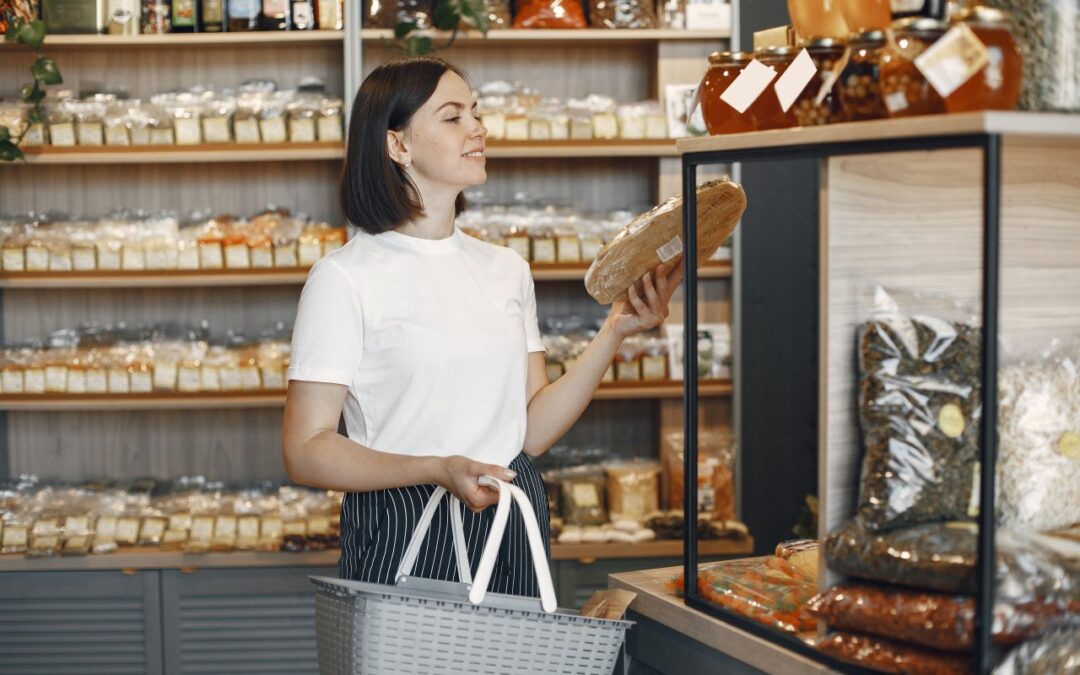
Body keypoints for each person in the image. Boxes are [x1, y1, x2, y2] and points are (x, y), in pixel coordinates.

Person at [282, 57, 684, 597]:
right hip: (403, 522)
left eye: (475, 112)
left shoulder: (506, 269)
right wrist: (438, 468)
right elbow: (306, 449)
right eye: (453, 117)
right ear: (397, 145)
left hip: (510, 515)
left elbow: (531, 431)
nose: (477, 128)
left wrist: (615, 329)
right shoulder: (344, 278)